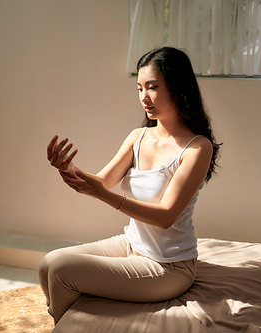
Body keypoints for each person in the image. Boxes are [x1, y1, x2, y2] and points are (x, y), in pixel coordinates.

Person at [37, 47, 221, 324]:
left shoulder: (197, 148)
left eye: (153, 87)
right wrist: (68, 168)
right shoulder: (138, 137)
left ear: (177, 88)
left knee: (62, 270)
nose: (144, 98)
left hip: (169, 266)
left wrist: (105, 196)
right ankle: (69, 324)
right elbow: (102, 182)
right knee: (47, 264)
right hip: (132, 245)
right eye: (139, 88)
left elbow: (166, 217)